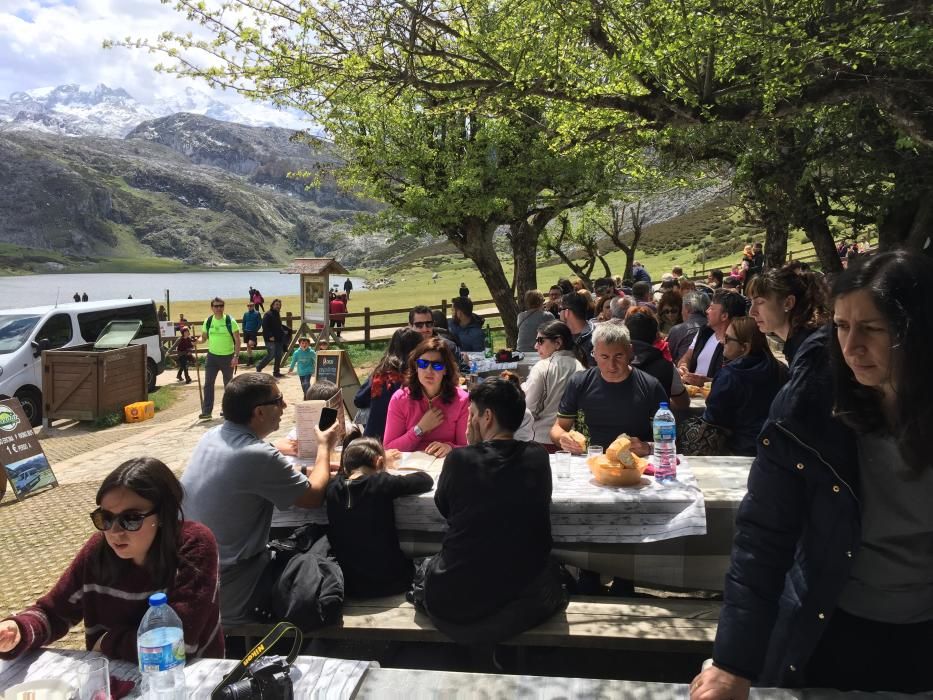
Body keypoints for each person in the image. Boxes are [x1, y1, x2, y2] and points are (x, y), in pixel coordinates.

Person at [690, 249, 933, 698]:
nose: (851, 347)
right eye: (841, 326)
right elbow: (763, 535)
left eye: (872, 329)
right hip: (830, 626)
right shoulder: (811, 403)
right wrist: (731, 663)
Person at [0, 458, 223, 661]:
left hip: (188, 679)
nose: (115, 532)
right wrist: (17, 630)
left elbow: (177, 645)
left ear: (164, 514)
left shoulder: (195, 546)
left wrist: (108, 642)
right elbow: (53, 613)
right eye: (105, 518)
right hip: (114, 679)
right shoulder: (98, 552)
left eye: (132, 519)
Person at [412, 379, 565, 642]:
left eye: (472, 414)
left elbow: (445, 508)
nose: (469, 421)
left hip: (454, 604)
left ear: (487, 416)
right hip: (524, 601)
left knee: (425, 565)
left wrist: (472, 448)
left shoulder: (459, 459)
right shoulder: (538, 457)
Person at [182, 373, 337, 625]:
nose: (285, 407)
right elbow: (314, 496)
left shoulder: (211, 436)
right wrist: (324, 447)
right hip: (233, 584)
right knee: (321, 551)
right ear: (259, 412)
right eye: (279, 400)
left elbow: (254, 468)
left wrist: (289, 457)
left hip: (195, 575)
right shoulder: (258, 455)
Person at [327, 437, 433, 597]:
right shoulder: (381, 482)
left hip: (350, 585)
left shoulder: (333, 488)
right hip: (392, 581)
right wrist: (385, 470)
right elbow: (425, 480)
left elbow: (342, 476)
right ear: (379, 462)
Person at [550, 321, 668, 454]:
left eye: (618, 356)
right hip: (589, 463)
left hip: (632, 465)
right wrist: (563, 438)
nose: (612, 365)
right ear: (594, 353)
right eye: (604, 357)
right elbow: (558, 427)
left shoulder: (651, 387)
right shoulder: (579, 382)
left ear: (630, 351)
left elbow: (667, 439)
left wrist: (648, 447)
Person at [688, 317, 787, 456]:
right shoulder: (781, 369)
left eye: (727, 339)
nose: (722, 342)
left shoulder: (730, 375)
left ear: (744, 347)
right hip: (774, 449)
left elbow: (713, 420)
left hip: (737, 450)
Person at [383, 337, 469, 457]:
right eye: (423, 364)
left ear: (446, 370)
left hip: (446, 466)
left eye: (437, 365)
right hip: (408, 469)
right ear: (416, 367)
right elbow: (389, 448)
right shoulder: (400, 399)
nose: (429, 370)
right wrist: (419, 429)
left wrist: (450, 447)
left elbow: (467, 447)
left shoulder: (462, 400)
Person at [747, 261, 830, 367]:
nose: (751, 312)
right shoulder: (801, 340)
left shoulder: (809, 349)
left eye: (760, 302)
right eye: (751, 302)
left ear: (788, 303)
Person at [522, 320, 585, 448]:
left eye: (540, 341)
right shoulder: (582, 367)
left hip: (541, 440)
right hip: (573, 442)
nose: (536, 346)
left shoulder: (543, 367)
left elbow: (529, 409)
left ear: (558, 343)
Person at [354, 328, 423, 439]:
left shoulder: (381, 373)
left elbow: (359, 400)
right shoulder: (416, 375)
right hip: (400, 437)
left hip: (373, 438)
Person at [677, 289, 746, 387]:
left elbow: (738, 383)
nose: (706, 311)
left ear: (724, 316)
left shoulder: (737, 344)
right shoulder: (705, 332)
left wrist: (706, 382)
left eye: (712, 308)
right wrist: (683, 366)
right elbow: (687, 356)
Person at [625, 310, 689, 410]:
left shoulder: (611, 363)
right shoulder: (667, 367)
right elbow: (683, 403)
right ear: (657, 336)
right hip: (656, 423)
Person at [198, 297, 241, 419]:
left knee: (228, 385)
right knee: (208, 384)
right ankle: (207, 412)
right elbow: (204, 338)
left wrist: (236, 356)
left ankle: (226, 410)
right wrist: (197, 341)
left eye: (221, 306)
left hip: (228, 357)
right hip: (212, 357)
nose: (218, 308)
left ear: (224, 307)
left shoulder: (230, 321)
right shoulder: (208, 321)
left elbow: (238, 340)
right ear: (212, 307)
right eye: (216, 306)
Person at [667, 291, 710, 364]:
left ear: (687, 308)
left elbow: (668, 357)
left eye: (682, 308)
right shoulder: (715, 326)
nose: (681, 312)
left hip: (684, 372)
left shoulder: (677, 330)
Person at [559, 292, 595, 367]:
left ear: (567, 312)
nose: (559, 313)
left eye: (560, 309)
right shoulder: (561, 335)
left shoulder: (594, 339)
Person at [255, 299, 285, 378]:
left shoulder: (277, 314)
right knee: (271, 355)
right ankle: (259, 366)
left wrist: (283, 332)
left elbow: (278, 326)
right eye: (276, 304)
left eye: (279, 305)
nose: (278, 306)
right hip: (270, 339)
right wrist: (270, 336)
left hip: (278, 338)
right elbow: (265, 326)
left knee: (279, 355)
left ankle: (276, 372)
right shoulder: (268, 314)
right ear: (272, 305)